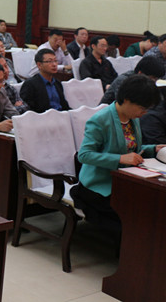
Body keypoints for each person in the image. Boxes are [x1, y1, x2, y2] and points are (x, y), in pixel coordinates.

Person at [72, 75, 165, 235]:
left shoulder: (133, 118)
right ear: (127, 100)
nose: (144, 113)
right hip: (99, 187)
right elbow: (84, 155)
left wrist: (153, 148)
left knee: (151, 208)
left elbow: (131, 148)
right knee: (134, 218)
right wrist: (120, 159)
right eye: (142, 108)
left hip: (124, 181)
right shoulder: (100, 120)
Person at [20, 49, 71, 113]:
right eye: (50, 61)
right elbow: (28, 110)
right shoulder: (30, 85)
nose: (54, 64)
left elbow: (65, 106)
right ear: (39, 65)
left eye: (55, 61)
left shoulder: (57, 83)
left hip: (61, 116)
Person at [100, 56, 165, 105]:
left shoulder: (146, 83)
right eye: (153, 78)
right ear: (140, 73)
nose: (154, 81)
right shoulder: (124, 81)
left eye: (156, 79)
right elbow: (123, 105)